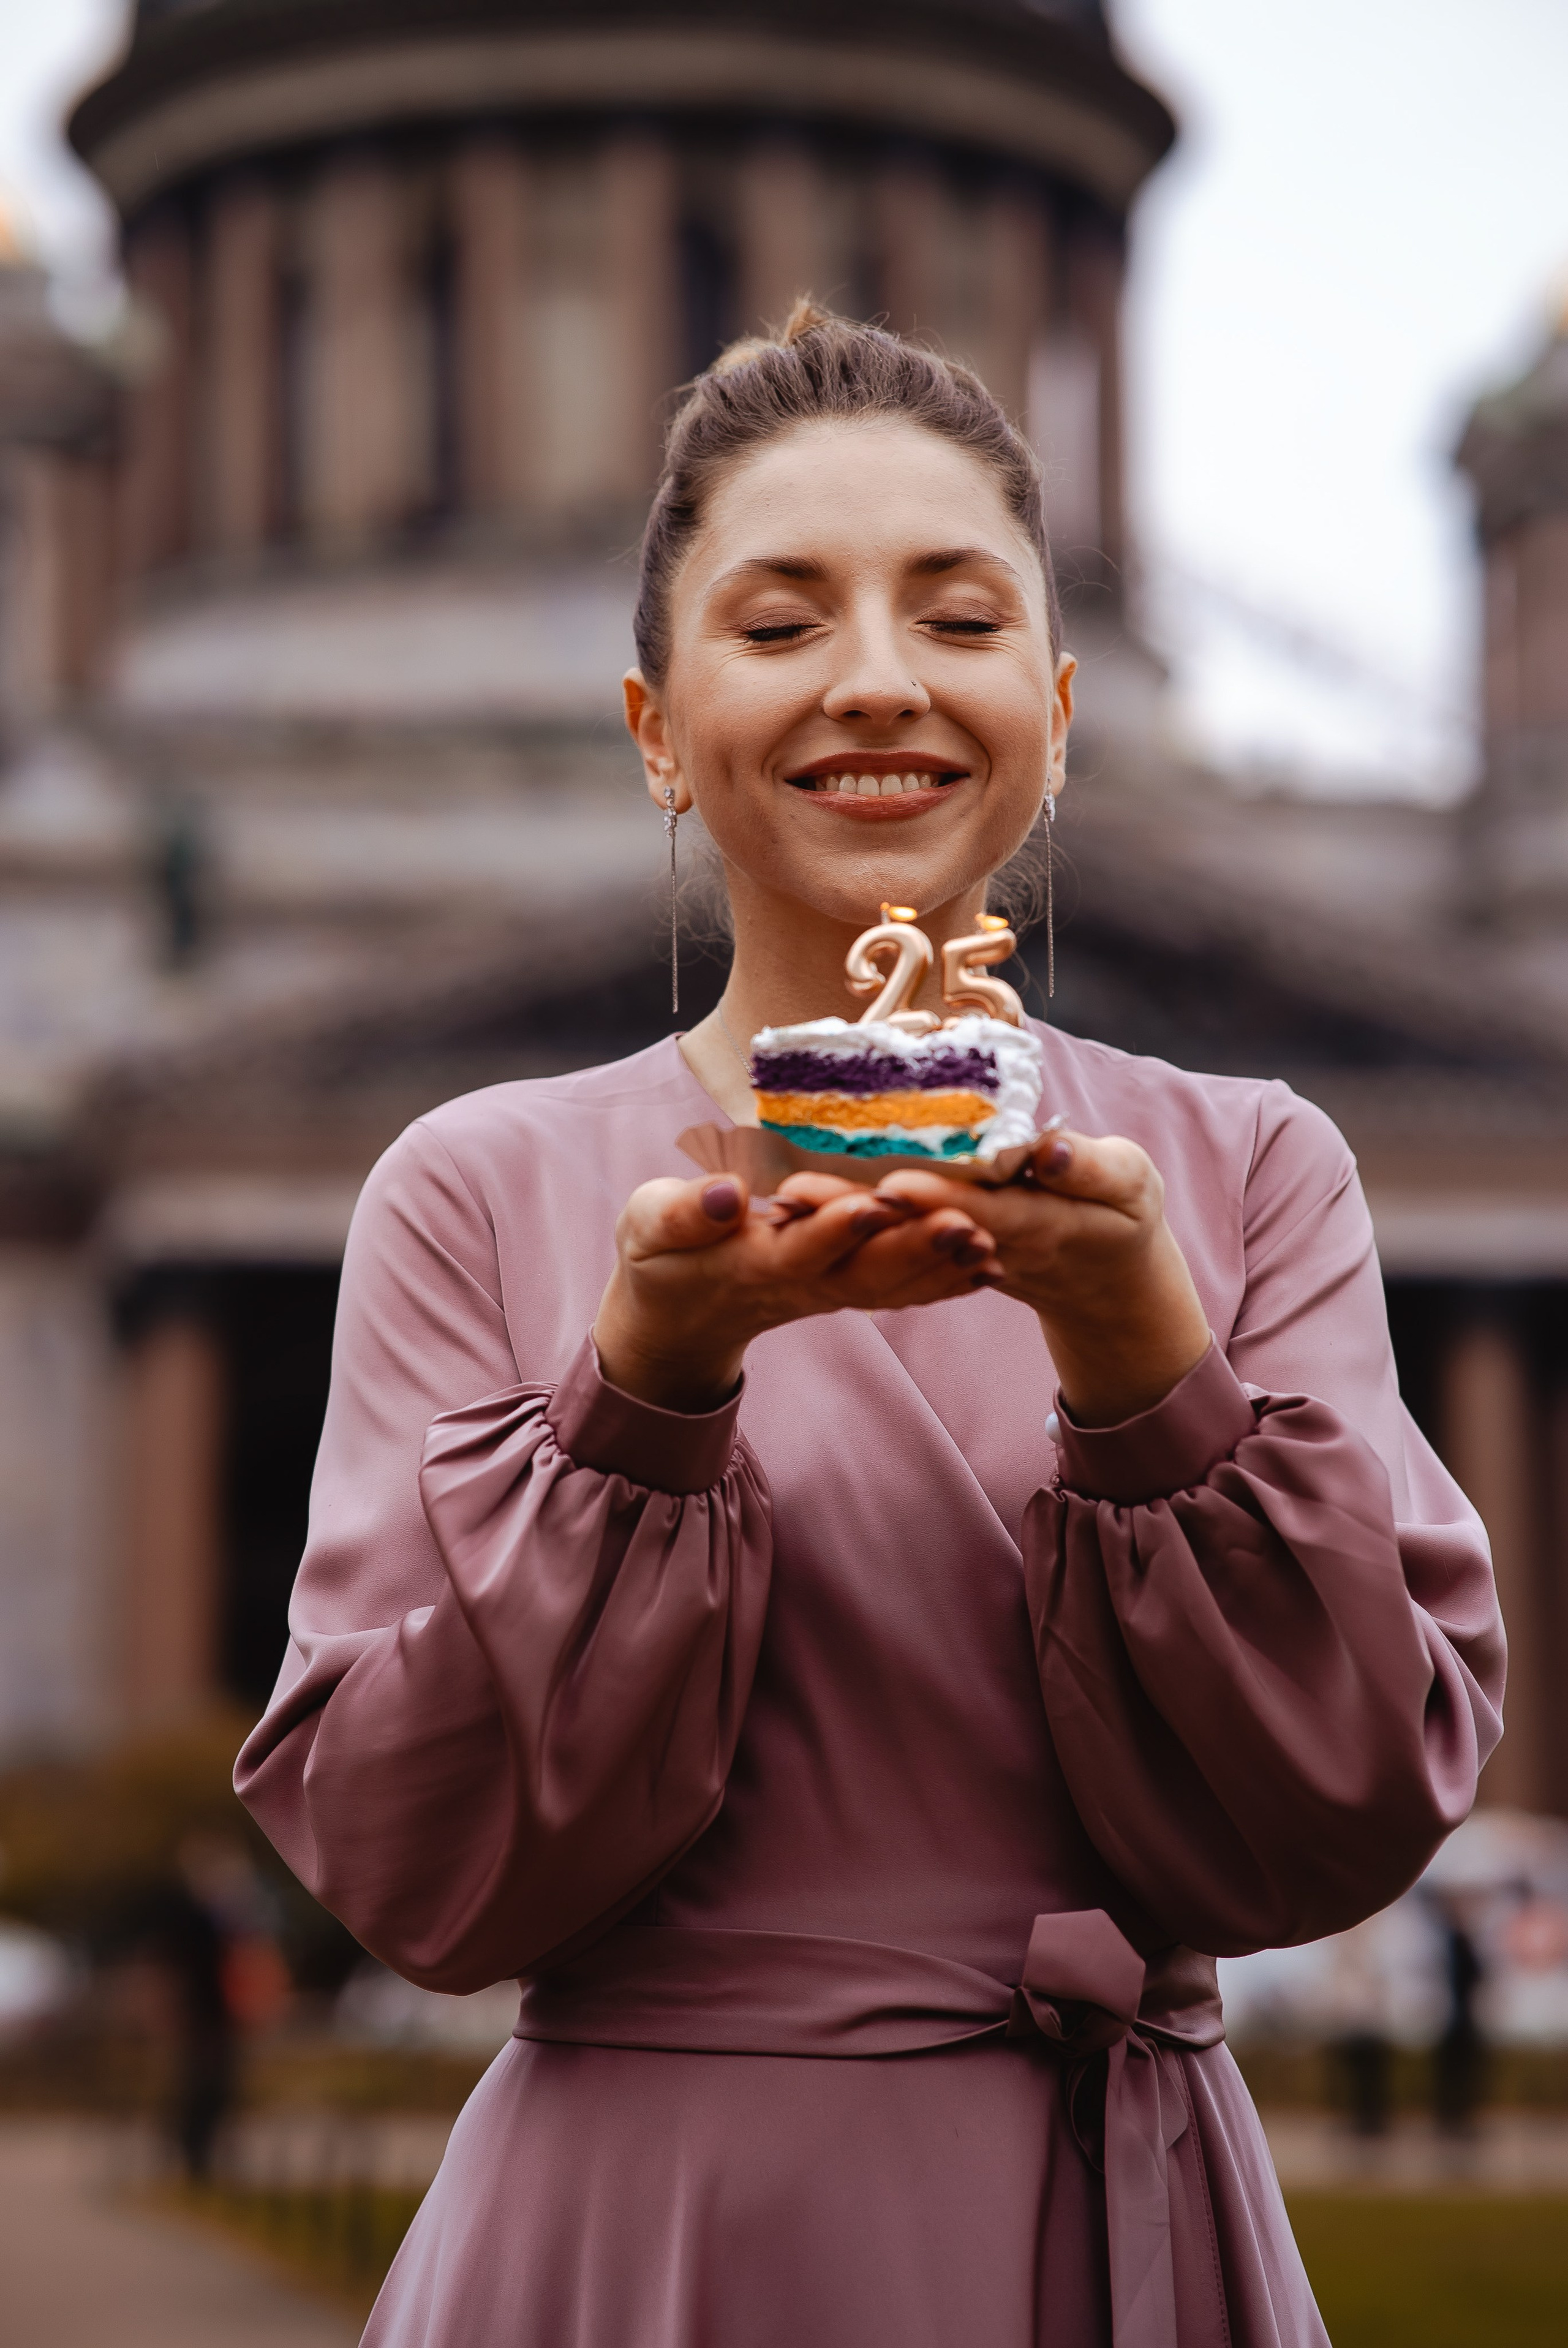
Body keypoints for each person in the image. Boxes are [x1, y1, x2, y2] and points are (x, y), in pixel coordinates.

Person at [236, 303, 1504, 2347]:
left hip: (1116, 2232)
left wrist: (1143, 1369)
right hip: (661, 2246)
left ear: (1062, 703)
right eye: (782, 619)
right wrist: (641, 1397)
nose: (882, 683)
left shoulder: (1252, 1171)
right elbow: (418, 1872)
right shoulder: (479, 1188)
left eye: (960, 614)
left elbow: (1344, 1807)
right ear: (655, 722)